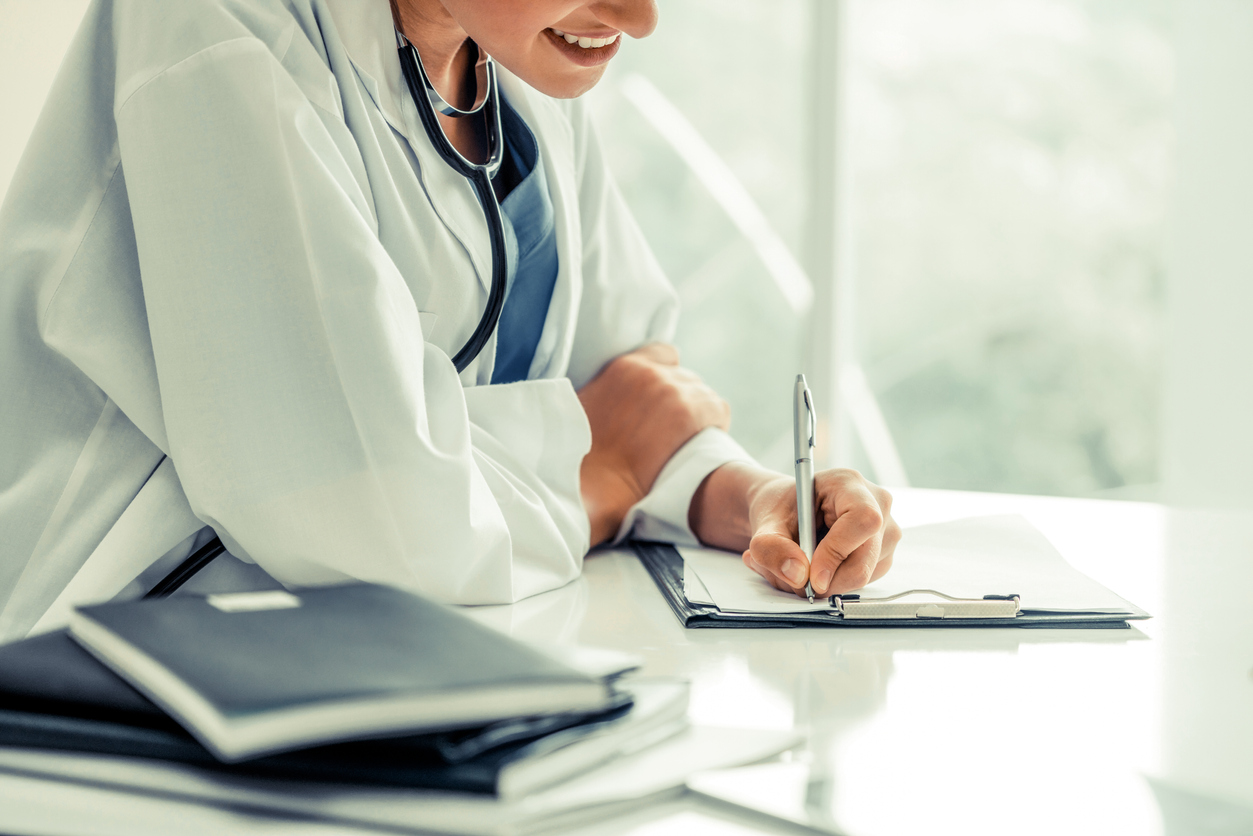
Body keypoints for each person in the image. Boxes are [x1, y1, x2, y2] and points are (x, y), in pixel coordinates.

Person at [0, 0, 900, 641]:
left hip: (396, 665)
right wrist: (609, 461)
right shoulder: (215, 25)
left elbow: (631, 382)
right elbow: (360, 520)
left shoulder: (514, 62)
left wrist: (750, 502)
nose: (639, 15)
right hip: (113, 670)